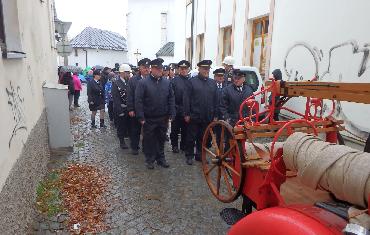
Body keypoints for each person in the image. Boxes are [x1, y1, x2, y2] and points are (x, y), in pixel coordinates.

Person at [135, 58, 175, 169]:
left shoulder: (167, 83)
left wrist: (172, 113)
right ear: (152, 69)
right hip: (149, 118)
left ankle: (161, 158)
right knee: (149, 139)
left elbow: (171, 98)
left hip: (163, 117)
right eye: (157, 69)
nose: (159, 71)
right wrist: (141, 116)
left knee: (161, 139)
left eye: (161, 69)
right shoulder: (143, 83)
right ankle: (150, 159)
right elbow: (138, 101)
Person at [183, 60, 217, 165]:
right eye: (204, 69)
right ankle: (189, 155)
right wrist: (186, 114)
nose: (206, 71)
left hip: (207, 116)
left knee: (203, 138)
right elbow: (186, 99)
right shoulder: (191, 82)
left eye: (207, 69)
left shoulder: (212, 83)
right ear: (199, 69)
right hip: (194, 115)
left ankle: (199, 155)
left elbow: (216, 100)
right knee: (191, 137)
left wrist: (215, 115)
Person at [127, 58, 151, 155]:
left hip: (148, 110)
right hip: (136, 110)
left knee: (147, 130)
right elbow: (130, 95)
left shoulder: (152, 79)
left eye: (148, 67)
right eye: (144, 67)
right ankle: (135, 147)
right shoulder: (133, 80)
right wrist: (131, 109)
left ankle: (146, 147)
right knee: (135, 129)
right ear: (140, 68)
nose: (146, 69)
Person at [170, 60, 191, 153]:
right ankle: (174, 145)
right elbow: (171, 96)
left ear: (188, 69)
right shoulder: (174, 81)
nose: (183, 71)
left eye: (185, 69)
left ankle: (184, 145)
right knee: (175, 130)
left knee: (186, 130)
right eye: (182, 69)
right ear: (179, 69)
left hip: (187, 110)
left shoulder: (191, 81)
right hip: (177, 109)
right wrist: (173, 110)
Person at [112, 64, 131, 149]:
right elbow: (116, 98)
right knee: (121, 126)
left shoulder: (128, 82)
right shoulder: (116, 83)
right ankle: (122, 141)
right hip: (121, 109)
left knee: (128, 126)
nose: (129, 74)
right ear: (122, 73)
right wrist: (120, 111)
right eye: (127, 73)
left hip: (128, 108)